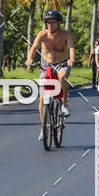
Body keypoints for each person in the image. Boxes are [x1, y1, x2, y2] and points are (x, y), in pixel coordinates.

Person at [26, 9, 75, 141]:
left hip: (62, 63)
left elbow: (71, 48)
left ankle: (64, 105)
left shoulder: (66, 34)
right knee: (42, 98)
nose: (50, 25)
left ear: (59, 23)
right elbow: (34, 47)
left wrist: (71, 59)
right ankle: (43, 128)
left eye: (52, 22)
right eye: (48, 22)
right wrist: (30, 59)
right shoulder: (42, 34)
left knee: (62, 77)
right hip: (46, 65)